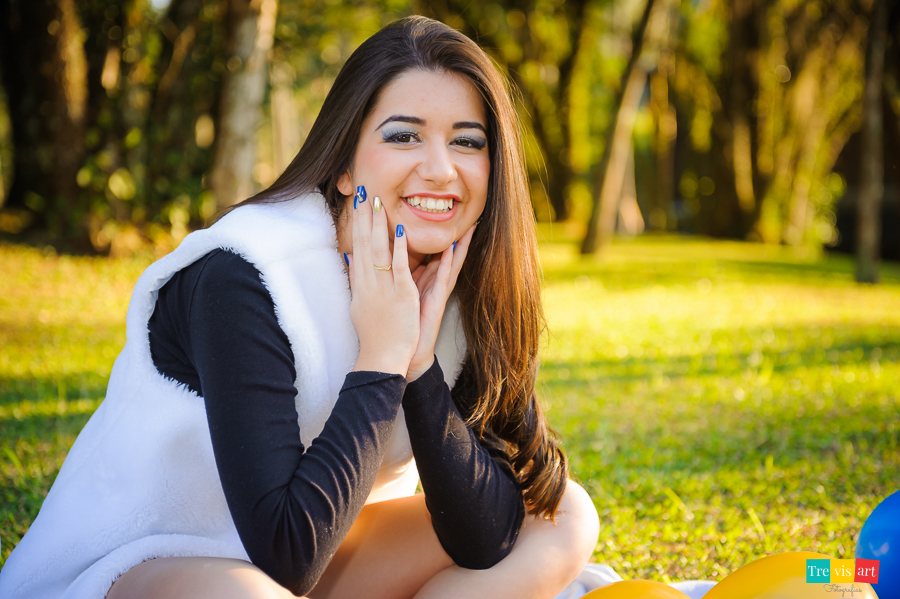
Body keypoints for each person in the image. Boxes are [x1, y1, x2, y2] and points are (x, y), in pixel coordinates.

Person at [0, 15, 600, 599]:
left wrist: (419, 365)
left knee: (560, 513)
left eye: (467, 142)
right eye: (403, 135)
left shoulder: (457, 278)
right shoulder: (246, 273)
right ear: (343, 164)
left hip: (319, 552)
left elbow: (483, 537)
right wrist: (382, 355)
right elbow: (288, 553)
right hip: (150, 561)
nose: (441, 169)